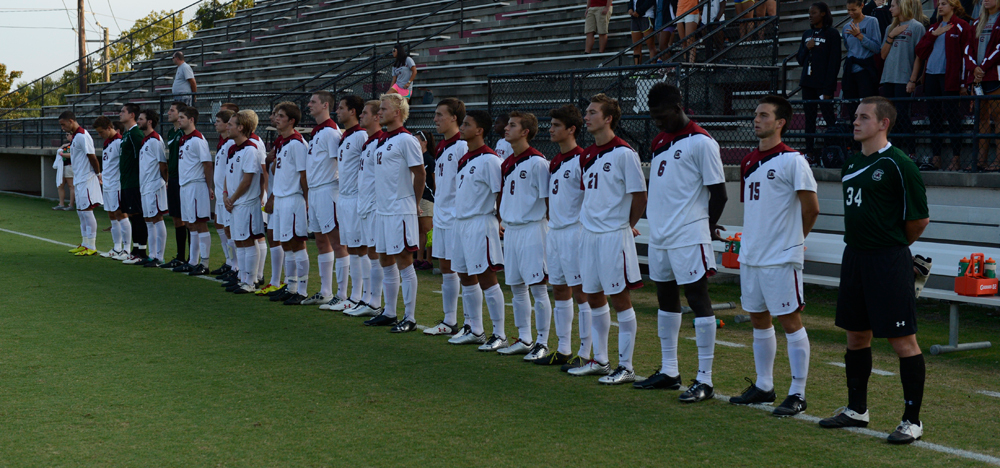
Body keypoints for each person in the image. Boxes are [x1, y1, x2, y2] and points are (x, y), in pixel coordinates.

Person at [818, 96, 930, 445]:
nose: (855, 122)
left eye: (863, 117)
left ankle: (912, 420)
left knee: (902, 341)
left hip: (888, 260)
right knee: (856, 336)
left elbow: (918, 220)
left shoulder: (900, 164)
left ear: (883, 124)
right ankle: (857, 409)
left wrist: (893, 247)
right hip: (855, 258)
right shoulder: (850, 164)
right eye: (855, 116)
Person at [632, 84, 727, 398]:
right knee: (665, 299)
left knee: (698, 299)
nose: (657, 122)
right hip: (660, 235)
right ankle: (669, 370)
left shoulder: (702, 142)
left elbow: (720, 193)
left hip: (689, 234)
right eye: (653, 116)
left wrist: (707, 227)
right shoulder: (660, 141)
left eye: (662, 115)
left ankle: (705, 379)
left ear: (678, 106)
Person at [728, 96, 818, 417]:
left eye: (764, 115)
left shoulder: (793, 160)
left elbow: (811, 208)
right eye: (755, 114)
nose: (756, 119)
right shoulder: (749, 160)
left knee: (790, 321)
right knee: (757, 318)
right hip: (752, 254)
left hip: (781, 257)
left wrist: (793, 240)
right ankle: (765, 385)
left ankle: (798, 392)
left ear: (780, 122)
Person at [568, 94, 647, 386]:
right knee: (593, 296)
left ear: (608, 118)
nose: (586, 117)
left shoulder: (625, 153)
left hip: (614, 236)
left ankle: (625, 365)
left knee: (620, 298)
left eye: (592, 112)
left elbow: (640, 196)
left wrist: (626, 226)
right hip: (588, 235)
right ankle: (600, 359)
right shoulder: (587, 155)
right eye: (586, 111)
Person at [534, 105, 592, 369]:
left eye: (556, 125)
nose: (551, 129)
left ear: (572, 129)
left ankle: (586, 350)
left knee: (582, 292)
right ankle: (564, 349)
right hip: (555, 232)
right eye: (551, 124)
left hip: (575, 232)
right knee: (559, 289)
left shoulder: (583, 159)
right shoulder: (555, 160)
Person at [365, 93, 426, 333]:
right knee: (385, 259)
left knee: (404, 261)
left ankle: (409, 317)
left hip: (400, 210)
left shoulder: (406, 140)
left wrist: (413, 203)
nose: (379, 112)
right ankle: (390, 312)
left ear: (397, 112)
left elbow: (420, 173)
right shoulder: (384, 139)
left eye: (384, 108)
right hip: (383, 210)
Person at [448, 110, 508, 349]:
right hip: (461, 223)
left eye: (466, 124)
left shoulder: (490, 159)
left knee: (487, 276)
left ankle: (500, 333)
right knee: (464, 275)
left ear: (479, 130)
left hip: (480, 223)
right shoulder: (465, 158)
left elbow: (500, 192)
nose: (461, 127)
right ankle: (475, 329)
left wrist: (501, 220)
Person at [495, 111, 552, 362]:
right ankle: (524, 338)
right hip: (512, 230)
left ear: (525, 132)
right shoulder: (507, 162)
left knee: (539, 288)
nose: (506, 128)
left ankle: (542, 341)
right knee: (517, 287)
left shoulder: (538, 162)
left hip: (533, 229)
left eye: (512, 125)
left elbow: (548, 200)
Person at [300, 91, 350, 307]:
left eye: (313, 102)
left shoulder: (330, 132)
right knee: (321, 242)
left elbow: (339, 163)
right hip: (315, 191)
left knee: (337, 242)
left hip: (328, 190)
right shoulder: (318, 132)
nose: (309, 105)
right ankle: (326, 291)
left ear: (325, 105)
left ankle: (343, 294)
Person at [915, 0, 974, 170]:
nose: (940, 6)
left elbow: (965, 56)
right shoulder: (933, 28)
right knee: (933, 118)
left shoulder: (962, 26)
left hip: (949, 78)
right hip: (932, 77)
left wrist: (963, 83)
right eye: (939, 3)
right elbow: (920, 51)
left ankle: (956, 158)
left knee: (953, 116)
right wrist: (933, 35)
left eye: (944, 3)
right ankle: (936, 157)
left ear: (953, 6)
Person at [324, 95, 369, 312]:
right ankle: (353, 295)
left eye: (341, 108)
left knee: (361, 248)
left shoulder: (361, 135)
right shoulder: (346, 136)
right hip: (344, 197)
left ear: (353, 112)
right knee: (352, 247)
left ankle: (362, 296)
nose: (337, 111)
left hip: (357, 198)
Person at [428, 98, 469, 337]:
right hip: (442, 214)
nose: (435, 119)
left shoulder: (462, 146)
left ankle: (469, 323)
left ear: (454, 117)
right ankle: (449, 320)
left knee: (463, 269)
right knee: (445, 267)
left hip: (456, 216)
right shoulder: (442, 146)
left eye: (440, 114)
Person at [343, 100, 386, 317]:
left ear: (378, 116)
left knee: (375, 253)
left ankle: (374, 300)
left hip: (375, 205)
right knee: (368, 251)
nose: (361, 116)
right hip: (364, 203)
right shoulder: (369, 142)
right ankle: (367, 298)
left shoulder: (380, 141)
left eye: (365, 113)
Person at [268, 102, 310, 305]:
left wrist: (308, 200)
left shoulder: (297, 144)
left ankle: (301, 290)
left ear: (292, 121)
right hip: (281, 199)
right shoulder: (282, 143)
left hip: (293, 199)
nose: (277, 119)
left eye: (282, 116)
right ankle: (291, 285)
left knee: (297, 243)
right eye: (277, 116)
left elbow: (304, 175)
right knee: (286, 244)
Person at [223, 110, 266, 294]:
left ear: (241, 128)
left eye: (231, 124)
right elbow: (227, 175)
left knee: (248, 241)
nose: (228, 127)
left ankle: (251, 281)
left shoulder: (250, 149)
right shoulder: (233, 148)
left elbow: (247, 180)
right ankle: (242, 277)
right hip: (234, 203)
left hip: (246, 203)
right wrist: (226, 194)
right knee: (239, 241)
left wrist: (232, 198)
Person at [879, 0, 927, 158]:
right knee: (889, 117)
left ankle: (912, 152)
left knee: (901, 114)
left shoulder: (917, 27)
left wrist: (913, 80)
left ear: (902, 6)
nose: (890, 9)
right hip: (887, 78)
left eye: (893, 6)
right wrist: (892, 35)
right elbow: (883, 54)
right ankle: (894, 151)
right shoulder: (889, 28)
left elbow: (919, 56)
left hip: (904, 78)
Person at [173, 106, 214, 276]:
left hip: (196, 185)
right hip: (185, 186)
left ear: (191, 120)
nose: (179, 119)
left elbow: (207, 163)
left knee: (200, 222)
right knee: (190, 223)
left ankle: (204, 262)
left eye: (182, 117)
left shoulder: (198, 139)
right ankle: (193, 261)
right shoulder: (184, 139)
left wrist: (209, 186)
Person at [797, 2, 842, 157]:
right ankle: (809, 151)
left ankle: (835, 150)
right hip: (807, 83)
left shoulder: (832, 34)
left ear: (823, 14)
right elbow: (800, 60)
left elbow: (834, 62)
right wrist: (806, 48)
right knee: (810, 119)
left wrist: (829, 88)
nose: (810, 16)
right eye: (809, 13)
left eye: (814, 13)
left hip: (823, 85)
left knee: (829, 117)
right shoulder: (806, 34)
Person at [59, 111, 103, 257]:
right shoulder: (76, 136)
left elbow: (92, 157)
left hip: (86, 179)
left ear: (71, 121)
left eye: (63, 124)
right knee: (81, 212)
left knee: (87, 211)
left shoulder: (83, 136)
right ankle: (84, 244)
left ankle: (92, 245)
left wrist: (98, 175)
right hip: (79, 179)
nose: (62, 128)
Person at [134, 109, 168, 267]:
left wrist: (165, 182)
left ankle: (159, 257)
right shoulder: (146, 140)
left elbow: (162, 164)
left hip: (154, 186)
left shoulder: (155, 140)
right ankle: (152, 254)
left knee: (157, 218)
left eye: (140, 119)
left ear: (149, 122)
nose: (138, 121)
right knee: (148, 220)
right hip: (145, 186)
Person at [94, 117, 131, 259]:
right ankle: (117, 247)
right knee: (111, 215)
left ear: (110, 128)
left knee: (121, 214)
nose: (100, 135)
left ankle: (127, 249)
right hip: (108, 184)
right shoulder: (107, 142)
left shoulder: (119, 142)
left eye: (101, 132)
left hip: (117, 184)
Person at [970, 0, 1000, 170]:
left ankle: (998, 161)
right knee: (981, 119)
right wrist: (974, 67)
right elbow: (968, 49)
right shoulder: (977, 21)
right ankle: (980, 161)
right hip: (979, 78)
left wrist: (983, 66)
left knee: (998, 118)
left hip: (995, 76)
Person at [117, 103, 149, 263]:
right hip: (126, 182)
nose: (120, 114)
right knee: (132, 215)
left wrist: (138, 180)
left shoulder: (136, 134)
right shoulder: (126, 134)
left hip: (135, 182)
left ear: (131, 115)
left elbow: (141, 159)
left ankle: (141, 252)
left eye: (123, 111)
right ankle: (135, 250)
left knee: (138, 216)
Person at [843, 0, 884, 122]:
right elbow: (848, 47)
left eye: (853, 10)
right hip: (851, 70)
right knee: (852, 106)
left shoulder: (871, 21)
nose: (851, 13)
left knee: (868, 105)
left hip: (866, 69)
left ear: (862, 6)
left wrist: (860, 36)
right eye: (848, 10)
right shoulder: (846, 26)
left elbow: (876, 48)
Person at [161, 101, 190, 270]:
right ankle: (180, 256)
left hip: (182, 179)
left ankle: (191, 257)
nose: (168, 113)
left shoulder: (183, 133)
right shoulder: (172, 133)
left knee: (187, 219)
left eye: (172, 110)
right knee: (177, 218)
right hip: (172, 178)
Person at [212, 110, 238, 278]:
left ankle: (235, 265)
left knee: (230, 230)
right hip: (221, 192)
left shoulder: (230, 144)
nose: (216, 124)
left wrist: (226, 191)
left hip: (226, 193)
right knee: (220, 225)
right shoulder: (222, 143)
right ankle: (229, 261)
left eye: (219, 121)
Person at [414, 130, 436, 272]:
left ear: (424, 143)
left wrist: (436, 196)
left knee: (428, 230)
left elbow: (434, 181)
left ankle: (429, 259)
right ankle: (419, 258)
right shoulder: (416, 159)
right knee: (420, 230)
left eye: (417, 141)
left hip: (428, 197)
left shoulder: (428, 159)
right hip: (418, 196)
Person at [629, 0, 658, 64]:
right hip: (635, 18)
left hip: (646, 16)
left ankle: (653, 68)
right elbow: (631, 1)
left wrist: (639, 11)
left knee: (650, 45)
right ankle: (637, 69)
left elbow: (650, 2)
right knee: (636, 46)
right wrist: (630, 8)